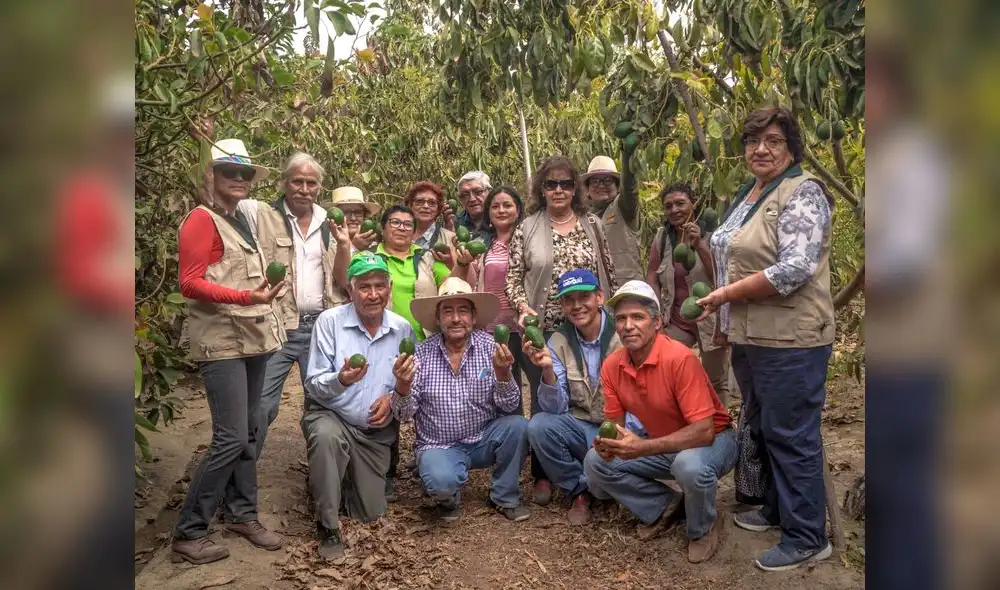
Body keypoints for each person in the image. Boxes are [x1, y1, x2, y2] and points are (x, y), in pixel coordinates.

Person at [694, 106, 835, 571]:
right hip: (752, 336)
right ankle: (779, 510)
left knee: (792, 434)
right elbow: (730, 253)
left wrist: (725, 295)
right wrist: (727, 313)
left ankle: (808, 535)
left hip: (792, 339)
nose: (761, 149)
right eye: (753, 141)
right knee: (767, 428)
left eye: (773, 140)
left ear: (791, 148)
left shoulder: (803, 192)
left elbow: (794, 268)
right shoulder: (751, 194)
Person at [171, 138, 285, 564]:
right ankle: (190, 530)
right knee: (230, 436)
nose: (238, 179)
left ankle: (242, 513)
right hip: (221, 342)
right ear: (212, 176)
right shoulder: (201, 220)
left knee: (250, 430)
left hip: (252, 338)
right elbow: (189, 282)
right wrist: (245, 298)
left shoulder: (240, 219)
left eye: (244, 174)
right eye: (228, 172)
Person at [583, 280, 736, 564]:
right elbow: (614, 430)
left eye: (638, 317)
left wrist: (642, 447)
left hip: (715, 440)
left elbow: (704, 431)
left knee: (688, 465)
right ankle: (666, 506)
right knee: (595, 461)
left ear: (657, 322)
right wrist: (607, 445)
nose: (628, 326)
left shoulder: (679, 358)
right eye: (621, 319)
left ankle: (704, 526)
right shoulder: (612, 366)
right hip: (665, 445)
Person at [505, 155, 617, 505]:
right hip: (546, 326)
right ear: (541, 188)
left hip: (588, 321)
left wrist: (613, 311)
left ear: (575, 189)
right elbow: (513, 278)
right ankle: (544, 473)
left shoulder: (592, 223)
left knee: (598, 388)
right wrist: (523, 308)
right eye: (550, 183)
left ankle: (601, 461)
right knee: (546, 397)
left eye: (565, 183)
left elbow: (607, 270)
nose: (558, 190)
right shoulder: (528, 226)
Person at [301, 253, 416, 559]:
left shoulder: (403, 329)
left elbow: (407, 396)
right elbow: (312, 383)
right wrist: (341, 379)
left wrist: (394, 398)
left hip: (372, 433)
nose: (373, 294)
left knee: (371, 514)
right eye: (364, 286)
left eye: (380, 285)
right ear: (350, 290)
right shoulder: (330, 322)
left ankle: (339, 477)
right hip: (332, 415)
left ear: (389, 288)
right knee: (326, 437)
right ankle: (327, 526)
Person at [236, 153, 351, 458]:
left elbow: (342, 278)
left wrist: (344, 245)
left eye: (310, 183)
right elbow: (214, 197)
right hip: (276, 324)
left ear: (319, 187)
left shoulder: (329, 221)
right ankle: (239, 480)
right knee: (261, 404)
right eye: (297, 181)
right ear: (284, 183)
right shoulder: (258, 213)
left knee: (323, 405)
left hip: (320, 326)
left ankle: (323, 477)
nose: (303, 188)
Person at [391, 278, 530, 522]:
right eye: (448, 311)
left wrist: (502, 374)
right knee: (441, 482)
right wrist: (402, 386)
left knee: (518, 426)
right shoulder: (421, 353)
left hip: (482, 439)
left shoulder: (491, 347)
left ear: (474, 318)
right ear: (438, 318)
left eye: (462, 310)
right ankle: (446, 493)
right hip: (438, 444)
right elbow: (403, 416)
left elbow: (509, 405)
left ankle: (505, 495)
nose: (456, 318)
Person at [523, 269, 621, 525]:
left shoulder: (623, 332)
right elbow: (555, 408)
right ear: (563, 305)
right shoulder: (558, 341)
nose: (577, 306)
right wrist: (546, 369)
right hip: (582, 426)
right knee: (539, 425)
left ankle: (602, 481)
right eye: (569, 300)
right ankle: (579, 490)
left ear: (600, 297)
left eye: (584, 297)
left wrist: (622, 435)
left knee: (603, 463)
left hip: (621, 428)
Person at [646, 182, 732, 405]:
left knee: (716, 381)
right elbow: (653, 275)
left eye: (680, 203)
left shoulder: (715, 235)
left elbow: (721, 279)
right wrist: (654, 313)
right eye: (669, 206)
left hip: (710, 320)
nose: (674, 210)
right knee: (664, 369)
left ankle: (720, 428)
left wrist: (701, 245)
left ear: (693, 204)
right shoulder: (662, 237)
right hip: (677, 320)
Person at [450, 185, 527, 412]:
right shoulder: (485, 244)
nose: (501, 210)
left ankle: (541, 440)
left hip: (524, 324)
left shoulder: (528, 239)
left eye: (507, 205)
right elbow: (471, 283)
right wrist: (463, 261)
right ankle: (514, 442)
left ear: (518, 209)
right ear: (489, 214)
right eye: (495, 206)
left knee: (537, 381)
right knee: (503, 384)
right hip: (495, 327)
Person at [335, 204, 450, 341]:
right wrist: (344, 244)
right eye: (395, 222)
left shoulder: (428, 257)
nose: (401, 228)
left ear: (414, 232)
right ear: (382, 229)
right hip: (380, 339)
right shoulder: (367, 257)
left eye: (408, 224)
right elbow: (344, 281)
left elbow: (452, 286)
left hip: (428, 342)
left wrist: (461, 263)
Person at [581, 150, 642, 283]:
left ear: (617, 186)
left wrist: (627, 154)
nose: (601, 185)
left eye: (608, 180)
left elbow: (630, 188)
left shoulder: (624, 207)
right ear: (588, 189)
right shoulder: (582, 218)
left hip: (626, 289)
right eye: (595, 181)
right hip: (596, 291)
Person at [404, 180, 457, 255]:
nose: (426, 206)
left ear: (438, 209)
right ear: (409, 205)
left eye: (432, 203)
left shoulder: (450, 238)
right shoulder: (398, 233)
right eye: (419, 201)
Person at [329, 185, 381, 253]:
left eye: (358, 212)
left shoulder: (374, 243)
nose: (353, 218)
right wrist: (354, 247)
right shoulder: (327, 242)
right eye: (346, 212)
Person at [449, 170, 490, 235]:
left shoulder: (500, 219)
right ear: (460, 199)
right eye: (465, 195)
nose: (472, 199)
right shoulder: (455, 223)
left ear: (489, 193)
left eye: (478, 192)